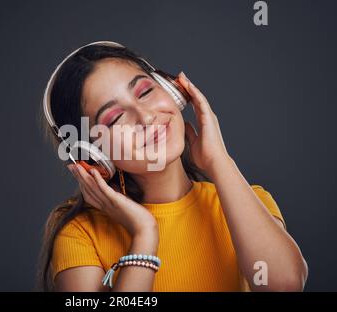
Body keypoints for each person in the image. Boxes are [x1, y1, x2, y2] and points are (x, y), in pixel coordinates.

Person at [37, 42, 308, 292]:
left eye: (145, 91)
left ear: (173, 91)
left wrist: (219, 161)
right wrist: (144, 234)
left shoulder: (246, 200)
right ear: (93, 155)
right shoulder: (80, 234)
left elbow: (284, 286)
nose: (145, 117)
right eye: (115, 117)